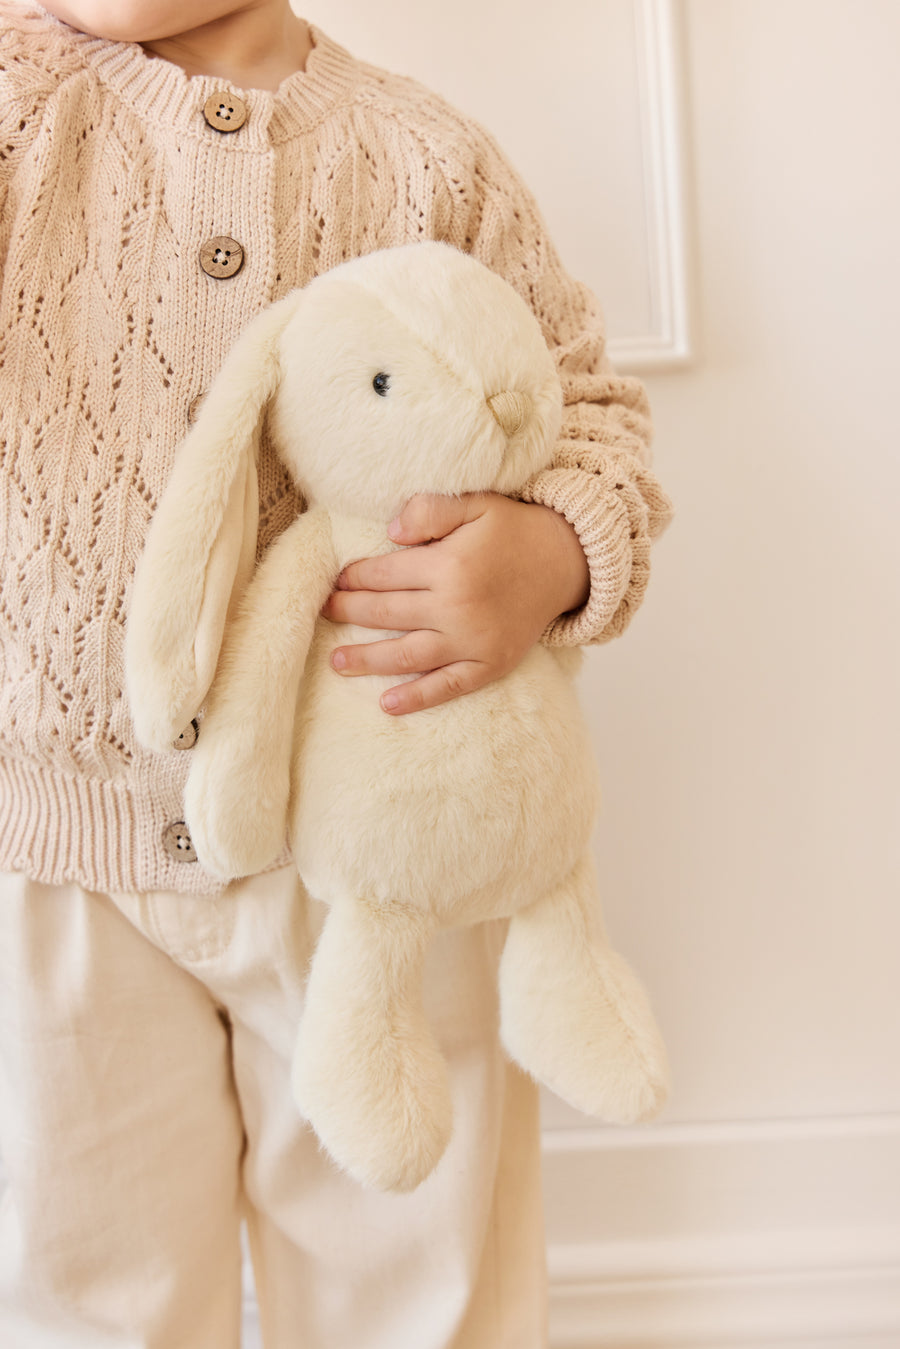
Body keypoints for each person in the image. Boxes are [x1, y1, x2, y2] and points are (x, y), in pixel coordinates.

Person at [0, 2, 673, 1346]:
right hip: (56, 857)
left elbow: (592, 419)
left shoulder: (432, 160)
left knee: (418, 1289)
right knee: (86, 1298)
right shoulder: (20, 103)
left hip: (382, 854)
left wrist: (550, 554)